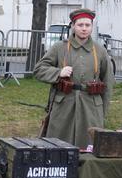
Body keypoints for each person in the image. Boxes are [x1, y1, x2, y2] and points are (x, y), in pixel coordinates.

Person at [34, 8, 114, 149]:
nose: (84, 29)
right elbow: (39, 69)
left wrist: (103, 112)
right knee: (58, 145)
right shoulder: (60, 48)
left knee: (89, 145)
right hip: (64, 104)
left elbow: (107, 83)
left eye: (87, 25)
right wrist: (58, 73)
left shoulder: (100, 51)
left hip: (91, 107)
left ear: (92, 26)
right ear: (73, 26)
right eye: (80, 25)